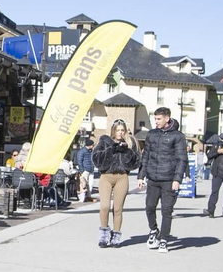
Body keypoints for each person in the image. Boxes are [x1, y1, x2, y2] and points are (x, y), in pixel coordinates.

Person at [140, 106, 187, 251]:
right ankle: (154, 230)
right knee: (149, 207)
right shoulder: (152, 134)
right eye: (155, 119)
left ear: (167, 118)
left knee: (166, 211)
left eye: (158, 119)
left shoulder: (178, 136)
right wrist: (141, 175)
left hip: (168, 179)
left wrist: (177, 180)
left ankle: (164, 239)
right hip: (153, 178)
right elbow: (146, 155)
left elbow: (181, 159)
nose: (156, 121)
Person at [92, 118, 139, 247]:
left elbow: (136, 163)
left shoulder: (129, 142)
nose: (120, 132)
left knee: (118, 209)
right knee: (105, 206)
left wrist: (127, 152)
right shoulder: (104, 141)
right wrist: (111, 150)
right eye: (118, 130)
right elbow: (96, 159)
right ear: (113, 130)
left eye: (122, 130)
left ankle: (116, 235)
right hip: (106, 176)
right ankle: (104, 234)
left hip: (122, 177)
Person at [73, 134, 97, 202]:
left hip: (91, 169)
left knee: (90, 184)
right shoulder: (82, 151)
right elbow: (79, 161)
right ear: (89, 145)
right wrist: (82, 170)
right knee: (83, 184)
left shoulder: (91, 151)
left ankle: (88, 196)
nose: (93, 146)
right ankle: (83, 197)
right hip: (85, 170)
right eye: (92, 145)